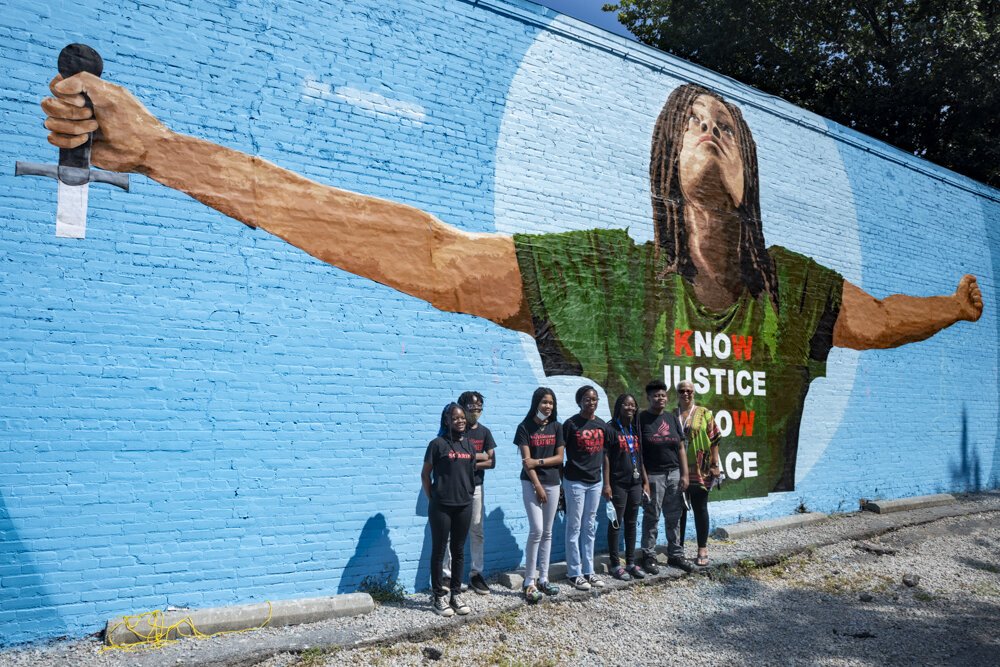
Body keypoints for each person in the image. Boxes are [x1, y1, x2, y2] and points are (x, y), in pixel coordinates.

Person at [40, 75, 983, 499]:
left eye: (727, 123)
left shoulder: (800, 293)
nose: (710, 127)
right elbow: (434, 256)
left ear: (753, 168)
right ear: (664, 160)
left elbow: (880, 318)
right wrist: (164, 153)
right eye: (691, 119)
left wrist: (956, 306)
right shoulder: (603, 272)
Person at [420, 403, 475, 617]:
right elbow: (425, 475)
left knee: (459, 551)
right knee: (439, 550)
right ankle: (438, 597)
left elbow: (470, 474)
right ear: (446, 421)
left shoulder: (469, 446)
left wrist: (468, 494)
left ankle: (455, 594)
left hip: (464, 505)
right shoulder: (437, 444)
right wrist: (432, 497)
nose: (460, 421)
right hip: (441, 506)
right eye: (455, 418)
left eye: (462, 418)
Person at [441, 391, 495, 595]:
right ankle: (447, 575)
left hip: (476, 488)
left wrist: (467, 458)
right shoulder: (457, 431)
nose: (476, 410)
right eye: (471, 406)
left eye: (480, 406)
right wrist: (476, 457)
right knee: (450, 534)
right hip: (454, 489)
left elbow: (492, 461)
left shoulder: (485, 433)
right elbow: (451, 457)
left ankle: (476, 574)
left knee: (476, 530)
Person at [638, 379, 692, 574]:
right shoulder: (642, 419)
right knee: (652, 516)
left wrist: (685, 475)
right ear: (649, 398)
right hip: (654, 476)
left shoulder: (671, 418)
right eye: (655, 395)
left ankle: (676, 554)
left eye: (662, 395)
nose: (659, 398)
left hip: (674, 474)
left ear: (666, 397)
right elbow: (639, 453)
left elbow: (680, 447)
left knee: (674, 516)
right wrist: (644, 480)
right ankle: (649, 555)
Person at [516, 387, 564, 602]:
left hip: (553, 482)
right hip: (531, 483)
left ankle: (544, 578)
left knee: (548, 532)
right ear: (536, 403)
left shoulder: (557, 427)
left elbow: (559, 458)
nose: (548, 406)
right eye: (544, 402)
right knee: (536, 530)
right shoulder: (525, 427)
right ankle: (529, 581)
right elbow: (527, 463)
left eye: (551, 403)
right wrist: (537, 485)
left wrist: (540, 462)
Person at [562, 385, 608, 590]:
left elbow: (605, 456)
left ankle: (589, 571)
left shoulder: (601, 425)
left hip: (595, 482)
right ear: (579, 401)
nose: (591, 402)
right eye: (587, 399)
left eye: (594, 399)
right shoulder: (571, 424)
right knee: (574, 527)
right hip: (575, 481)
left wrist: (606, 482)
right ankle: (574, 572)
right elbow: (561, 451)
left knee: (589, 526)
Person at [604, 393, 651, 580]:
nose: (630, 408)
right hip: (618, 483)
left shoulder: (635, 428)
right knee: (616, 523)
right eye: (626, 405)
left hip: (636, 482)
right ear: (619, 406)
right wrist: (607, 484)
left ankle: (631, 562)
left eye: (633, 405)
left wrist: (645, 481)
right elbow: (605, 457)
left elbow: (639, 457)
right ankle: (615, 565)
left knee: (632, 523)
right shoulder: (611, 428)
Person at [675, 380, 721, 567]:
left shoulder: (704, 413)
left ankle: (702, 548)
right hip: (677, 470)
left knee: (700, 508)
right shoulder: (672, 415)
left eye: (689, 391)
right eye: (682, 391)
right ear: (677, 393)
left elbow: (715, 438)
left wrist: (715, 464)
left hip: (700, 470)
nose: (686, 394)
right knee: (680, 511)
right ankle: (679, 549)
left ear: (694, 393)